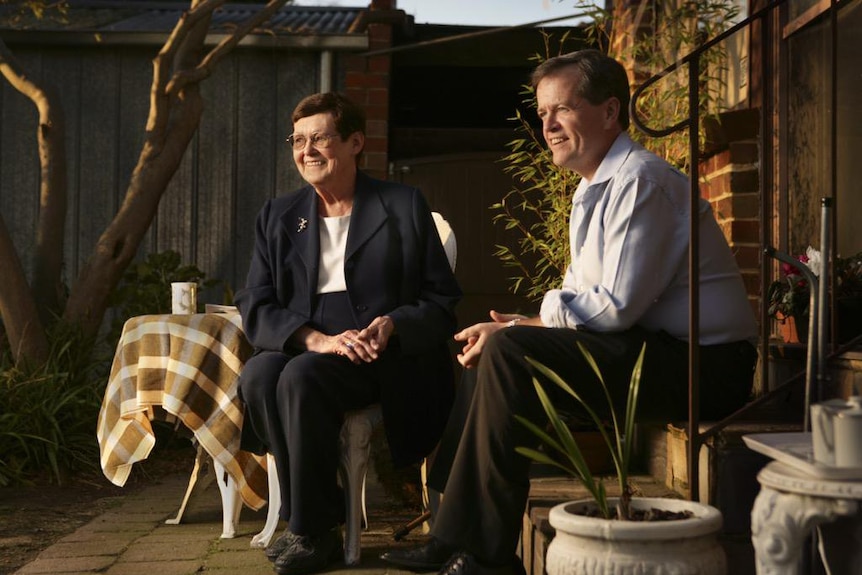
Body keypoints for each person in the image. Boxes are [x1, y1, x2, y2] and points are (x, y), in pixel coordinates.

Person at [380, 49, 758, 575]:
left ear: (609, 111)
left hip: (706, 368)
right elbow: (586, 302)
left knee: (507, 350)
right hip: (654, 350)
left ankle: (483, 553)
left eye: (562, 109)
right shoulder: (592, 189)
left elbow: (613, 308)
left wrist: (522, 328)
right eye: (541, 113)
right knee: (493, 349)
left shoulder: (640, 183)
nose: (548, 125)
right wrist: (515, 326)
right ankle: (449, 530)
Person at [235, 92, 461, 575]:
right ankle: (312, 521)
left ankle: (311, 532)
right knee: (259, 374)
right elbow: (255, 303)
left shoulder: (402, 205)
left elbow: (442, 303)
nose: (306, 150)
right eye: (298, 140)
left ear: (356, 142)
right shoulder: (278, 215)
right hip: (313, 343)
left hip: (387, 357)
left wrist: (393, 324)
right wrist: (318, 339)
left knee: (299, 378)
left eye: (319, 138)